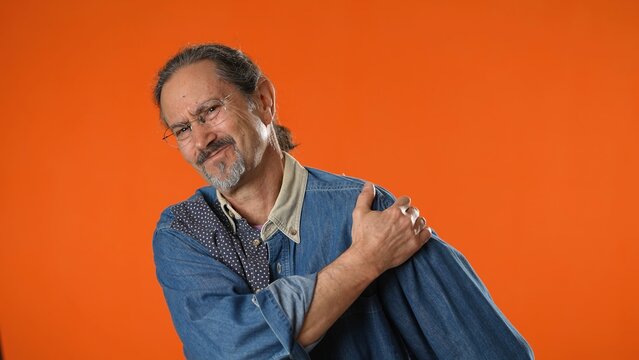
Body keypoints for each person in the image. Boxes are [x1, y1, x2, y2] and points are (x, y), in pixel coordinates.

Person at [152, 43, 533, 360]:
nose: (201, 140)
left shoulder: (372, 214)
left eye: (210, 112)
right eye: (182, 129)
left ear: (264, 101)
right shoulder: (184, 233)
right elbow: (228, 352)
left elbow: (492, 351)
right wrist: (365, 261)